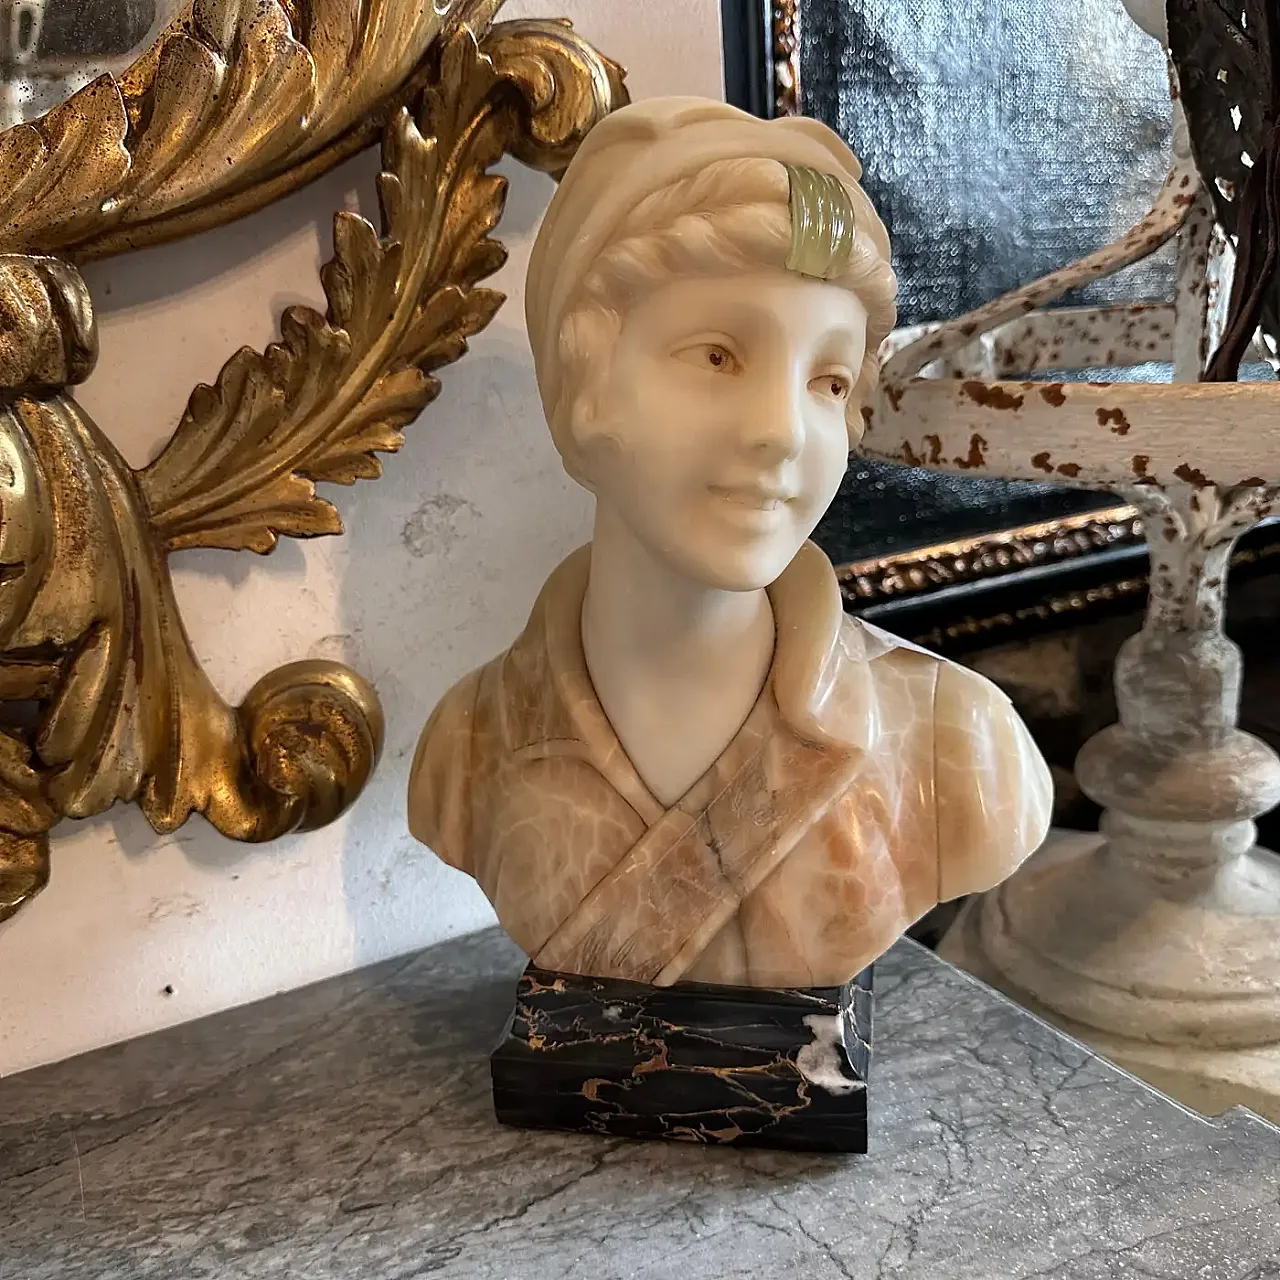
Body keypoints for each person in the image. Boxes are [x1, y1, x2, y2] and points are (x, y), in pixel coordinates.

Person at [408, 97, 1053, 990]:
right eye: (717, 356)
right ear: (585, 378)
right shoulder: (470, 749)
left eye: (828, 380)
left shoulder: (961, 747)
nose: (782, 431)